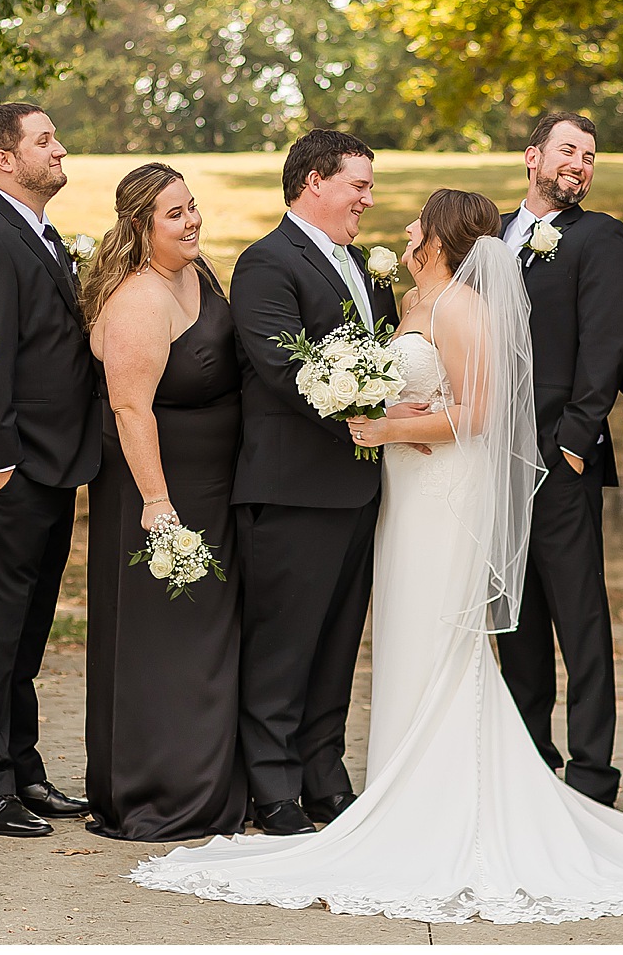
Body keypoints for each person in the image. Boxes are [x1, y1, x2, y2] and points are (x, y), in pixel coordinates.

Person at [130, 190, 623, 921]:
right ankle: (403, 789)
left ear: (439, 238)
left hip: (443, 496)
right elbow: (421, 393)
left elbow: (480, 413)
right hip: (405, 494)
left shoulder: (462, 308)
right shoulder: (409, 303)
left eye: (418, 222)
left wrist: (386, 431)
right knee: (404, 633)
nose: (405, 227)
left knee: (439, 637)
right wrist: (379, 410)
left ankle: (446, 803)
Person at [226, 129, 398, 836]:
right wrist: (368, 416)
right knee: (284, 646)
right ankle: (272, 787)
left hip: (358, 488)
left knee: (335, 645)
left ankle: (324, 775)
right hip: (293, 488)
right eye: (358, 185)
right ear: (314, 182)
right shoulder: (266, 264)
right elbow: (282, 369)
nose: (368, 199)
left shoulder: (363, 265)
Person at [0, 103, 101, 837]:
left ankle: (23, 768)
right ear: (5, 160)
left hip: (52, 461)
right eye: (44, 141)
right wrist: (0, 461)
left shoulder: (40, 232)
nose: (59, 149)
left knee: (29, 628)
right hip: (9, 467)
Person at [82, 164, 246, 841]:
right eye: (174, 214)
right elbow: (129, 407)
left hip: (213, 486)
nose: (192, 221)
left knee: (207, 634)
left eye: (193, 206)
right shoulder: (138, 300)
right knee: (164, 635)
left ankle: (208, 779)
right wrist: (158, 502)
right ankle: (159, 788)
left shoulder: (196, 273)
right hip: (161, 492)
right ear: (140, 227)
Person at [493, 112, 623, 805]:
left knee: (580, 619)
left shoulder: (599, 236)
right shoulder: (489, 234)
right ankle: (530, 758)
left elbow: (604, 346)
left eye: (590, 156)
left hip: (559, 457)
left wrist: (574, 443)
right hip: (494, 460)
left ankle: (592, 773)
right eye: (568, 150)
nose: (580, 164)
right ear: (533, 157)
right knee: (515, 618)